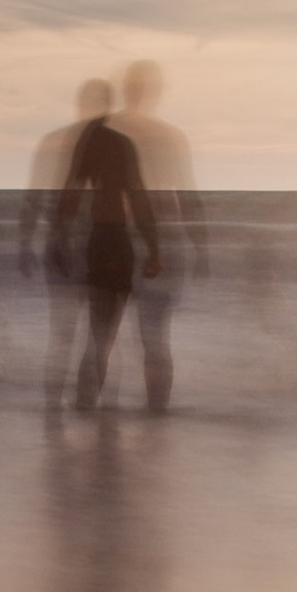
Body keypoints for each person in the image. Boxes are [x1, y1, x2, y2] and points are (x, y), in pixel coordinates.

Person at [49, 95, 161, 411]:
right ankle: (97, 405)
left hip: (100, 241)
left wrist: (60, 238)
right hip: (117, 240)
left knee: (98, 331)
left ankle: (88, 403)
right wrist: (153, 247)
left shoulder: (88, 144)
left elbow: (71, 193)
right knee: (106, 332)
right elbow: (138, 196)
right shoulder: (121, 145)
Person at [107, 61, 208, 412]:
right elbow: (188, 196)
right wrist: (201, 248)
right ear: (156, 92)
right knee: (154, 338)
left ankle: (105, 425)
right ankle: (156, 416)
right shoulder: (169, 136)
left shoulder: (109, 132)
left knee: (105, 336)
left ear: (125, 88)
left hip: (117, 241)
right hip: (164, 241)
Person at [20, 79, 109, 409]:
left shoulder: (54, 141)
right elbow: (34, 198)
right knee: (92, 335)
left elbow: (33, 199)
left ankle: (57, 411)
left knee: (66, 334)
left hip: (70, 248)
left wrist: (26, 244)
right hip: (86, 249)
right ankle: (82, 410)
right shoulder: (100, 147)